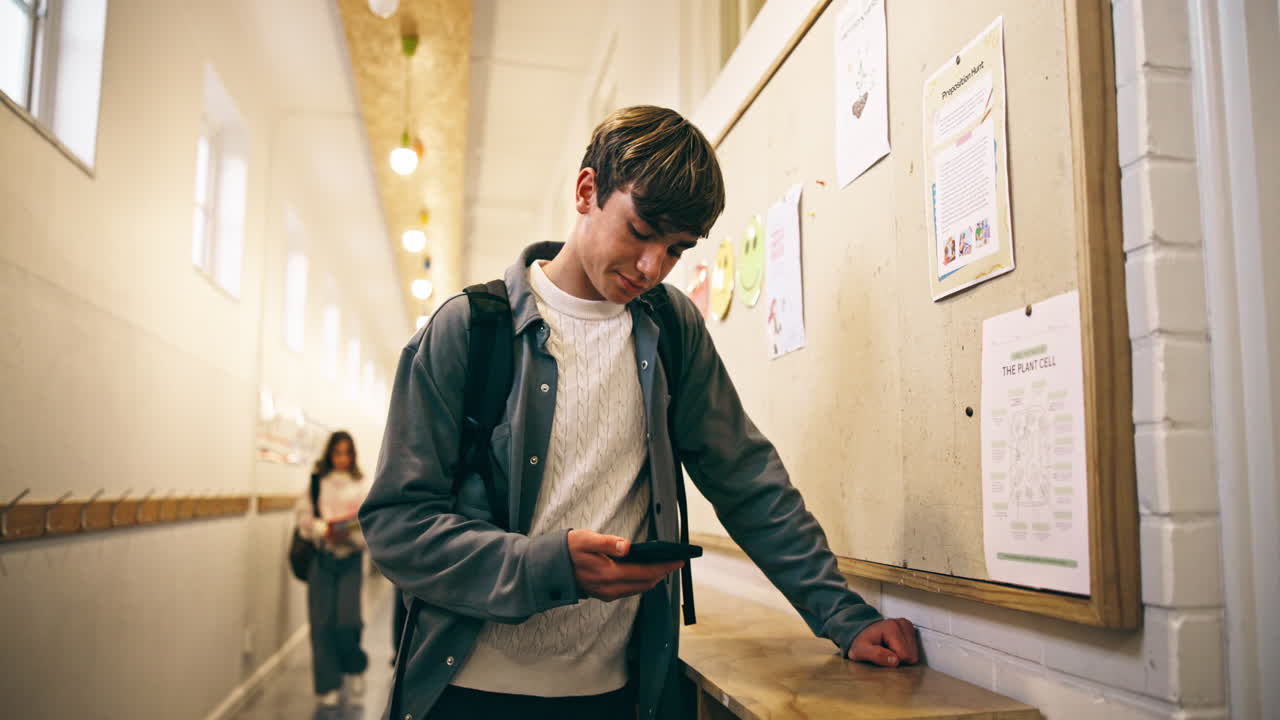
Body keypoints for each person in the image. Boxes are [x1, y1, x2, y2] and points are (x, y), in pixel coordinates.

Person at [360, 105, 918, 720]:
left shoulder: (671, 329)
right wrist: (547, 565)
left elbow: (747, 482)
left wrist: (844, 616)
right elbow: (396, 526)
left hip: (620, 695)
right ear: (587, 190)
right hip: (467, 693)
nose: (653, 267)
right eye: (641, 230)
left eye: (677, 249)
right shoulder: (466, 329)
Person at [297, 430, 371, 708]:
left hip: (350, 558)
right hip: (322, 558)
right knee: (321, 624)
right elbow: (304, 517)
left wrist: (343, 529)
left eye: (347, 453)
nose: (342, 458)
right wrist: (322, 528)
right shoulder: (318, 483)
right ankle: (328, 683)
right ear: (330, 454)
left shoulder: (362, 484)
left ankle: (353, 665)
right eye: (337, 452)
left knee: (347, 621)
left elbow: (367, 523)